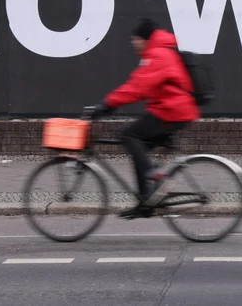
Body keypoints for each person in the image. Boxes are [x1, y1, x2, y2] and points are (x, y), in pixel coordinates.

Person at [85, 18, 199, 219]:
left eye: (135, 39)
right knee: (139, 149)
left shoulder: (158, 55)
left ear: (145, 39)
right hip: (169, 110)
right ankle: (145, 202)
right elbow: (139, 86)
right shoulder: (158, 53)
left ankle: (155, 179)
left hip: (172, 111)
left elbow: (137, 87)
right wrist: (111, 105)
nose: (133, 43)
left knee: (129, 135)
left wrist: (107, 104)